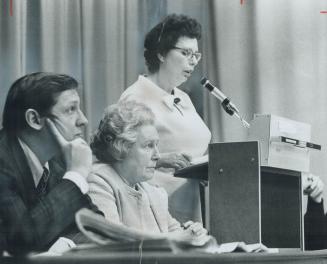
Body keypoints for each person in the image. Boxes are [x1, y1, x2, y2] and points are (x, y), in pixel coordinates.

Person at [120, 14, 211, 223]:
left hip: (194, 205)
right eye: (186, 53)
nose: (193, 61)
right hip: (155, 210)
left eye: (196, 55)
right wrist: (160, 159)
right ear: (161, 53)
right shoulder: (135, 98)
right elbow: (118, 159)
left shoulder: (183, 97)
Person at [0, 72, 101, 255]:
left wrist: (64, 245)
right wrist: (75, 175)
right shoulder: (2, 160)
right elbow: (21, 240)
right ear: (34, 119)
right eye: (71, 110)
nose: (84, 120)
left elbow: (95, 224)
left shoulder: (58, 158)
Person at [88, 100, 208, 242]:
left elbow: (175, 232)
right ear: (121, 147)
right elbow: (114, 241)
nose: (157, 155)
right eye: (148, 146)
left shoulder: (152, 192)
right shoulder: (98, 182)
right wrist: (178, 238)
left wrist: (192, 233)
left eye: (156, 145)